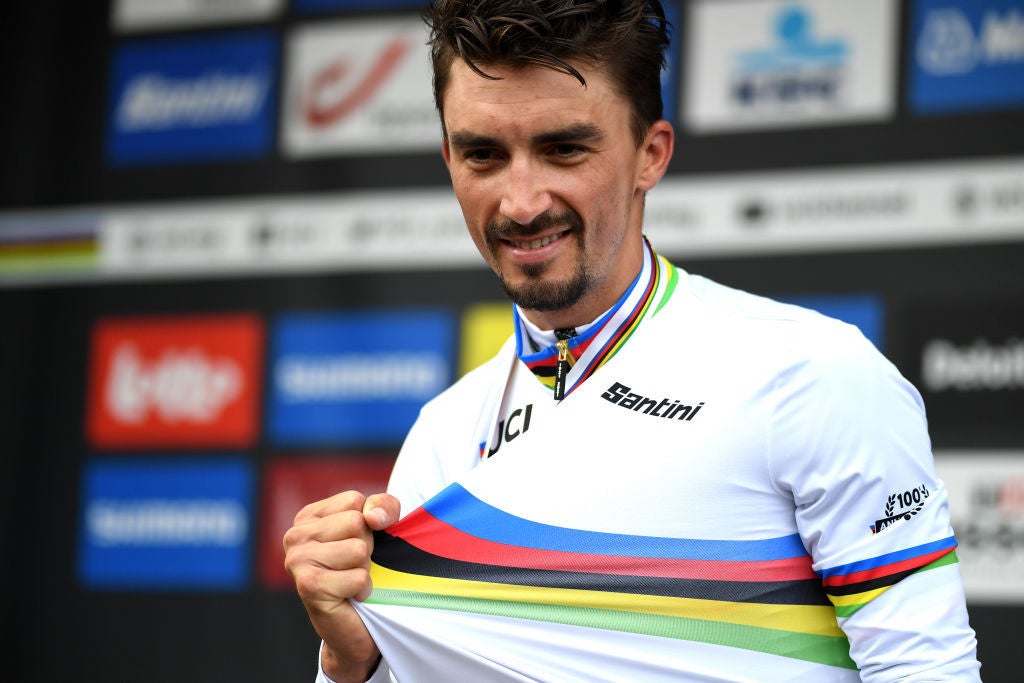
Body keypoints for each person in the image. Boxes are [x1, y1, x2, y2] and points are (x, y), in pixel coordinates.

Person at [283, 1, 982, 681]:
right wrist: (353, 662)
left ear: (651, 154)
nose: (521, 201)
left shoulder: (809, 374)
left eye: (564, 149)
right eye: (484, 155)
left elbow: (927, 669)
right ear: (448, 159)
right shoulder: (443, 432)